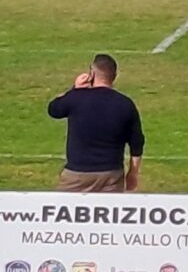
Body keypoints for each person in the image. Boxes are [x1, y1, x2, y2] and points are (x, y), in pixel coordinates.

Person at [47, 54, 144, 193]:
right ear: (114, 76)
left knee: (67, 211)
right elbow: (137, 143)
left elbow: (53, 110)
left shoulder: (76, 98)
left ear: (91, 74)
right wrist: (133, 173)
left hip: (77, 174)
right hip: (111, 175)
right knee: (109, 213)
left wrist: (74, 88)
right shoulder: (125, 104)